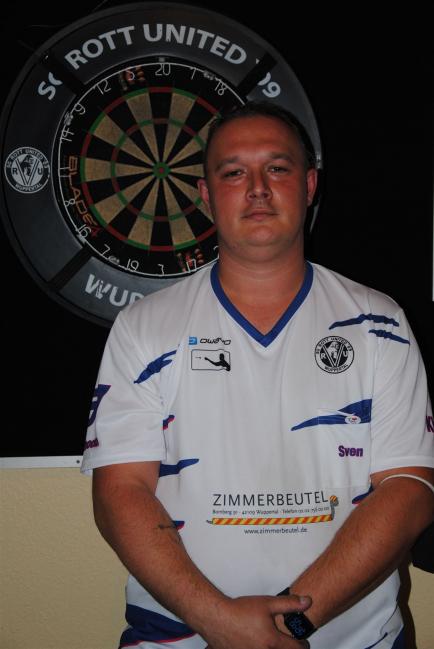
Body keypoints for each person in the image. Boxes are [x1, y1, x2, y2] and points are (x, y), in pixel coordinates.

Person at [81, 101, 434, 649]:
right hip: (181, 637)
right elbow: (119, 491)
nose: (258, 190)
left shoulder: (379, 323)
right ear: (206, 195)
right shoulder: (144, 327)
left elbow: (409, 489)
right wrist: (219, 621)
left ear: (309, 185)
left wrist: (289, 624)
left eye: (277, 168)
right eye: (233, 173)